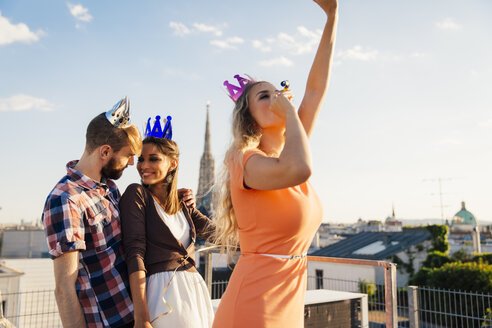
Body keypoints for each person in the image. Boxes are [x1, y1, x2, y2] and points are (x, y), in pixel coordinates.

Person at [212, 0, 338, 327]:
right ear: (250, 118)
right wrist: (292, 116)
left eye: (277, 92)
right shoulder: (243, 160)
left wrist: (332, 16)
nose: (276, 98)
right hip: (255, 303)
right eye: (263, 97)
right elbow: (299, 170)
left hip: (289, 297)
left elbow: (315, 90)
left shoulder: (291, 150)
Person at [42, 97, 140, 328]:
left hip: (132, 314)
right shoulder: (66, 199)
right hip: (106, 323)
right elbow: (64, 289)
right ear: (105, 152)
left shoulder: (109, 188)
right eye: (127, 155)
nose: (132, 163)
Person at [120, 117, 215, 328]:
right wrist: (142, 317)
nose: (144, 166)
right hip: (162, 295)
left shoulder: (183, 203)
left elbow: (218, 233)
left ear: (173, 163)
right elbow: (135, 254)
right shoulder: (136, 195)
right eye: (141, 159)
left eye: (153, 159)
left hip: (195, 293)